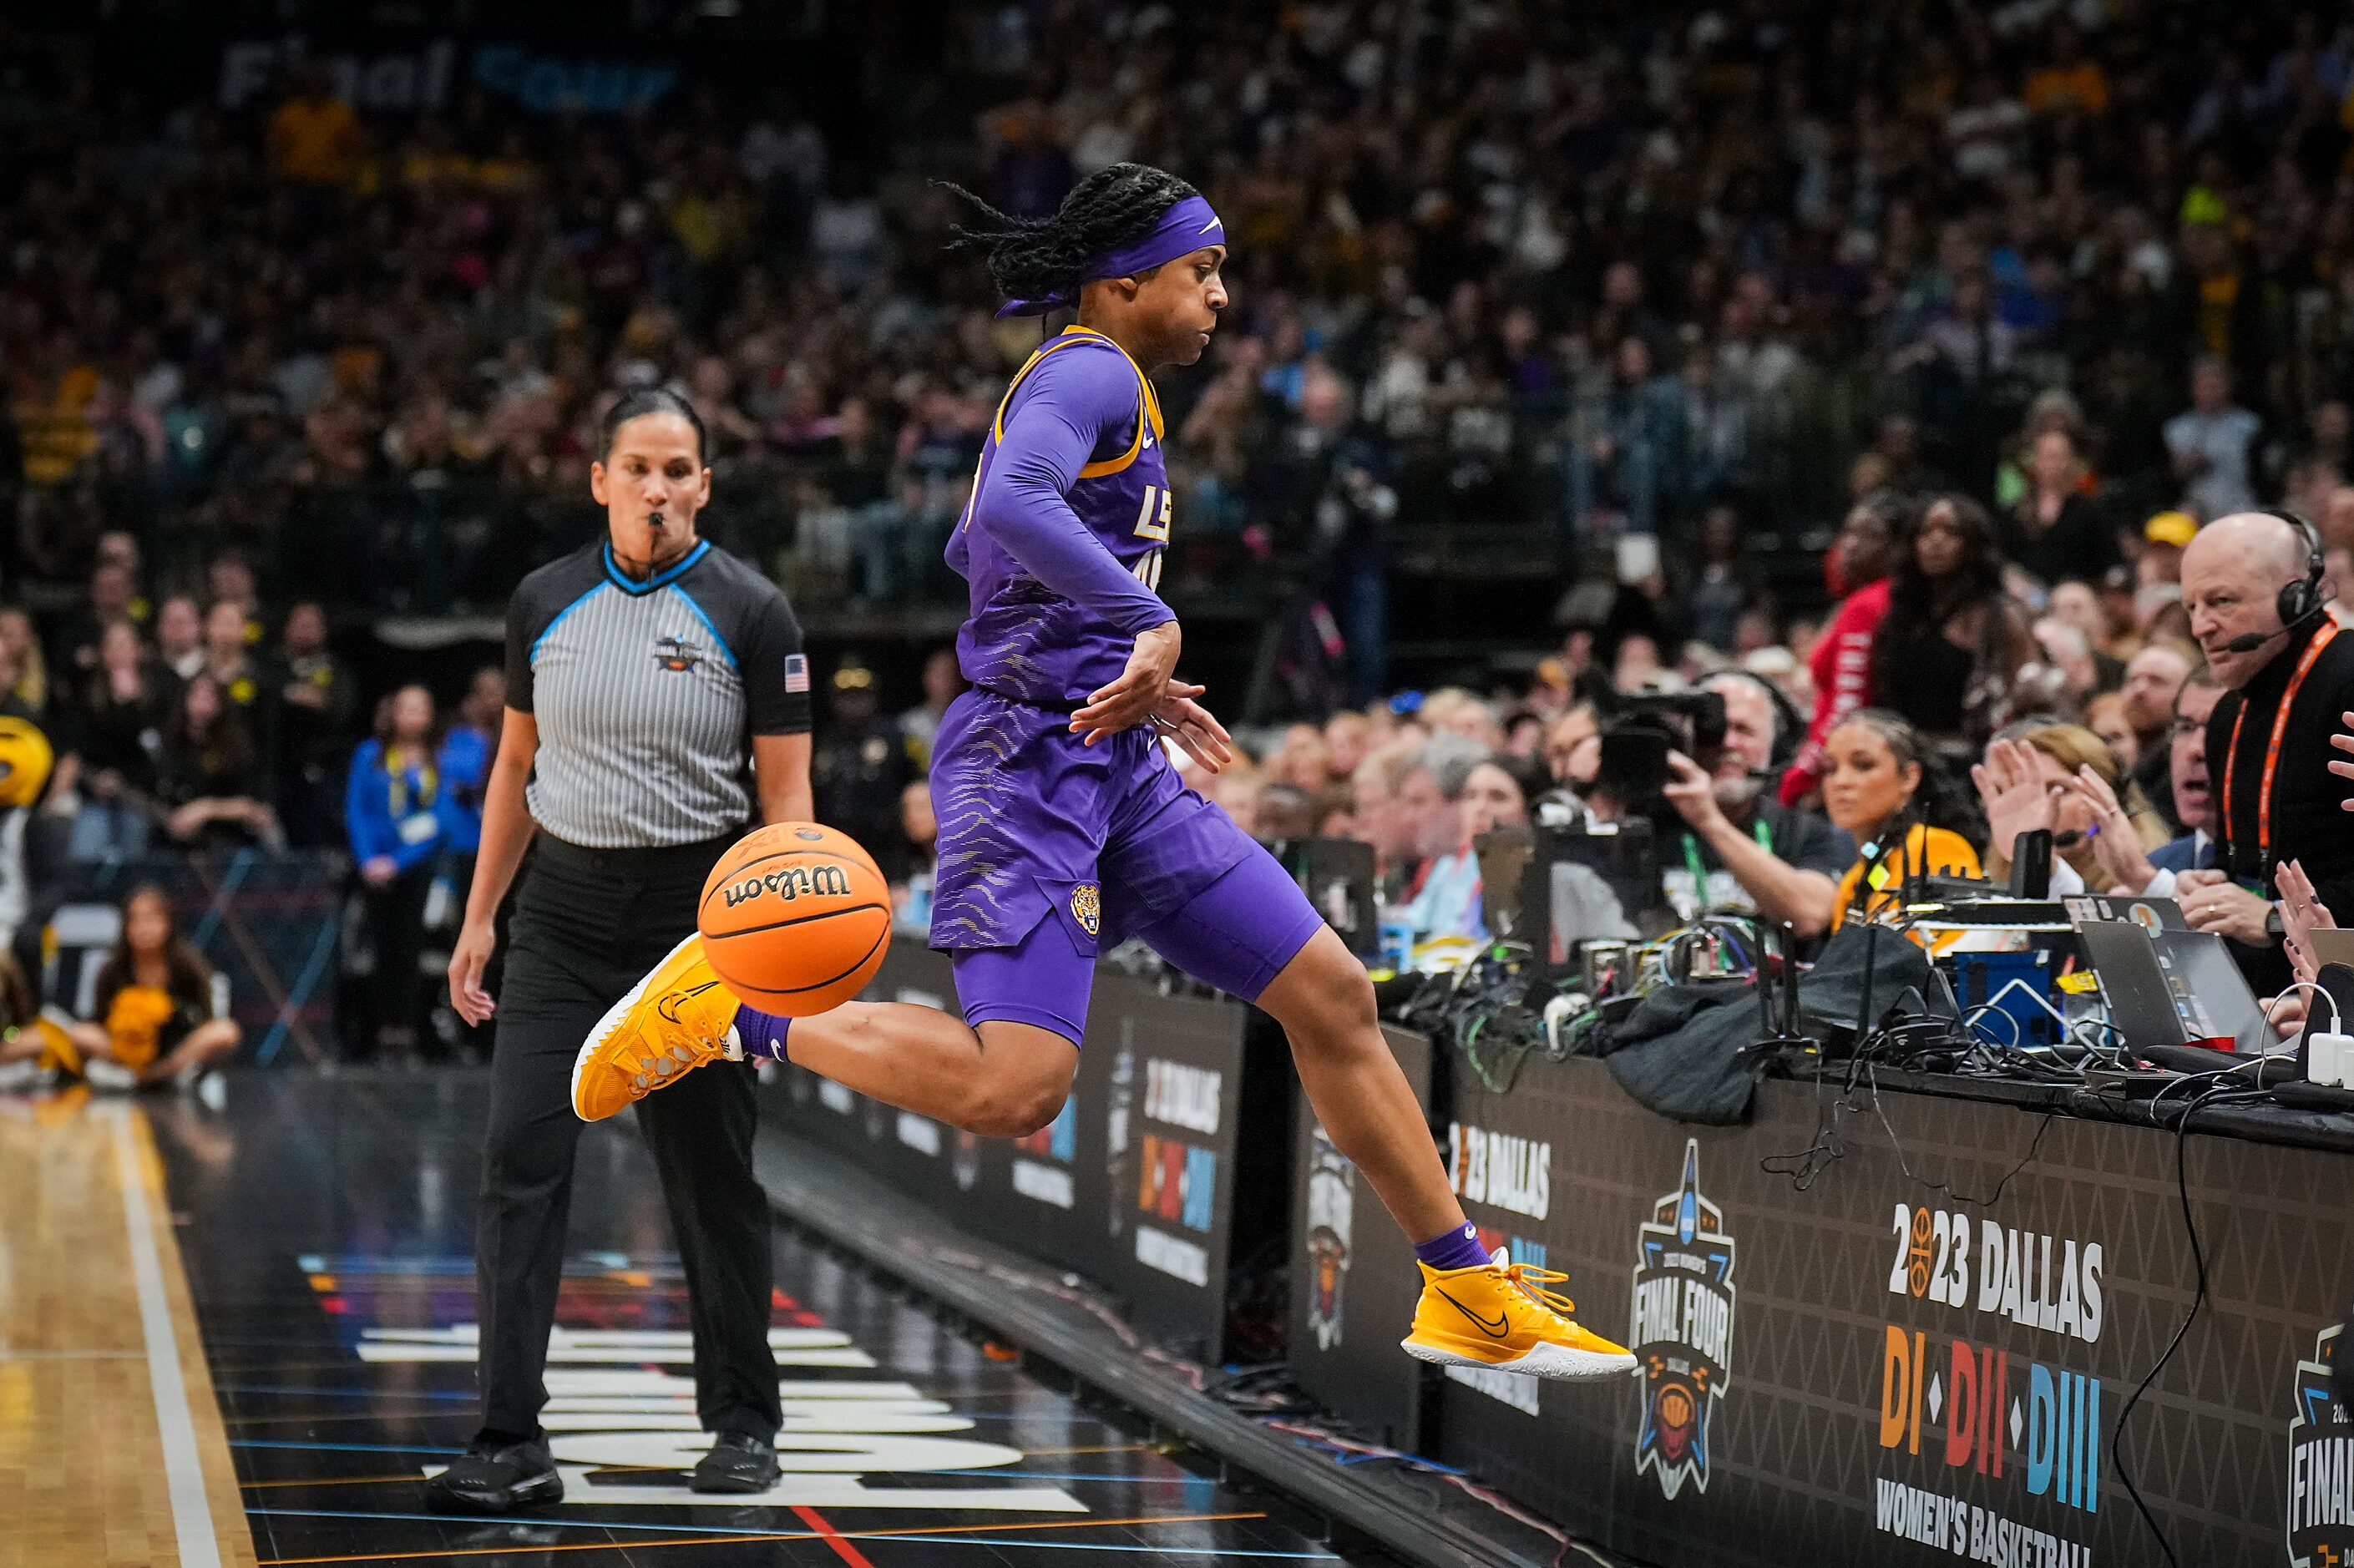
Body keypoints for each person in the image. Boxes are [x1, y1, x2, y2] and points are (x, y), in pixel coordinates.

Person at [570, 164, 1634, 1385]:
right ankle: (737, 1007)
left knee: (1331, 995)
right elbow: (1013, 501)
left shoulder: (1097, 388)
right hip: (1025, 764)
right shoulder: (1090, 368)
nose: (1222, 297)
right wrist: (1146, 616)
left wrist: (1101, 642)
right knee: (1017, 1089)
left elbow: (975, 531)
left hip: (1108, 758)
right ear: (1124, 283)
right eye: (1203, 272)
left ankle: (1464, 1288)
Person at [436, 387, 816, 1510]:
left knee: (709, 1178)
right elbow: (514, 766)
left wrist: (773, 962)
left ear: (705, 483)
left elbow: (786, 801)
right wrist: (478, 919)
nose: (660, 487)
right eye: (639, 467)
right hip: (556, 913)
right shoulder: (541, 599)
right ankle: (508, 1438)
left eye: (681, 469)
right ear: (597, 478)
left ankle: (744, 1419)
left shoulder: (753, 610)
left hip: (696, 924)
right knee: (519, 1159)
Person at [2175, 511, 2354, 994]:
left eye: (2221, 601)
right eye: (2190, 606)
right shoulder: (2228, 715)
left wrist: (2275, 919)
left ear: (2294, 595)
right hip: (2263, 1005)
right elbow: (2253, 874)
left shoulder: (2348, 682)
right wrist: (2214, 890)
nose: (2201, 627)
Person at [1658, 671, 1853, 938]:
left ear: (1776, 747)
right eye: (1713, 730)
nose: (1728, 743)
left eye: (1744, 730)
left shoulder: (1804, 831)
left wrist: (1710, 822)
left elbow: (1811, 916)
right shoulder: (1646, 823)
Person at [1870, 494, 2034, 761]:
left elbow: (2029, 700)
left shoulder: (1998, 618)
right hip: (1904, 760)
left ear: (1972, 544)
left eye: (1951, 532)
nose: (1936, 541)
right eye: (1926, 532)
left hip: (1975, 762)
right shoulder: (1898, 617)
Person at [347, 685, 455, 1062]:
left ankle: (406, 1029)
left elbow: (438, 820)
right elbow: (356, 810)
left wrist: (400, 862)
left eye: (420, 709)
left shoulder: (433, 762)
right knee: (378, 947)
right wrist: (369, 860)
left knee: (409, 947)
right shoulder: (370, 756)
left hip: (413, 867)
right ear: (393, 713)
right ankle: (375, 1030)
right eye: (405, 708)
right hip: (374, 866)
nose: (412, 717)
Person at [2068, 665, 2226, 896]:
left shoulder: (2288, 861)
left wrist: (2150, 884)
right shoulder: (2158, 862)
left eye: (2218, 729)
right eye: (2185, 728)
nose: (2196, 749)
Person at [1781, 495, 1900, 804]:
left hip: (1841, 771)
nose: (1851, 545)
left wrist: (1800, 776)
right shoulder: (1874, 599)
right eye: (1848, 533)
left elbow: (1848, 707)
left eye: (1868, 535)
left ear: (1897, 547)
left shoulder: (1868, 605)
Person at [1820, 710, 1982, 932]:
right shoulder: (1852, 881)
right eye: (1830, 769)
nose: (1841, 781)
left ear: (1909, 777)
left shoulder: (1935, 848)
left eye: (1864, 765)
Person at [67, 885, 239, 1090]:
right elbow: (100, 1021)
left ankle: (159, 1075)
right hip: (125, 1051)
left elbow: (206, 1019)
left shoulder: (186, 967)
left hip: (174, 1051)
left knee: (225, 1032)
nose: (144, 928)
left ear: (168, 923)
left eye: (151, 919)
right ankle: (135, 1074)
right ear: (125, 927)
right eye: (136, 920)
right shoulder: (113, 970)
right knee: (80, 1033)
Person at [1972, 724, 2168, 893]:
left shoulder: (2164, 874)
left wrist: (2043, 864)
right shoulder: (1988, 888)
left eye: (2059, 789)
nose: (2039, 810)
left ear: (2111, 795)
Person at [154, 673, 277, 847]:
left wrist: (206, 809)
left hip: (227, 838)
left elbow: (255, 807)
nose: (202, 704)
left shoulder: (237, 747)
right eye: (196, 695)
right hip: (176, 838)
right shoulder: (172, 744)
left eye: (210, 697)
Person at [2115, 641, 2192, 827]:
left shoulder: (2190, 766)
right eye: (2132, 680)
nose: (2140, 690)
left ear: (2186, 694)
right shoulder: (2113, 762)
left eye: (2157, 681)